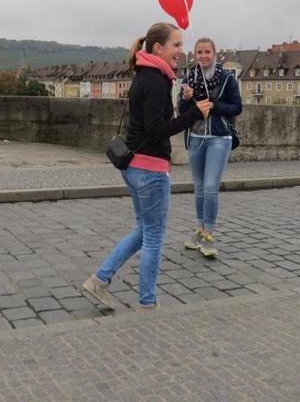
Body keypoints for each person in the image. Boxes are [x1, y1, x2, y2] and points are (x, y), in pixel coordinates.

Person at [82, 23, 212, 310]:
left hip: (134, 166)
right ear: (158, 48)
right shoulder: (156, 80)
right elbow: (156, 130)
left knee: (143, 231)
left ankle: (99, 280)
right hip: (150, 170)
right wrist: (194, 114)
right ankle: (148, 302)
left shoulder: (145, 74)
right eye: (176, 45)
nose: (181, 51)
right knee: (153, 237)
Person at [179, 38, 242, 258]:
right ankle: (199, 229)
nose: (203, 56)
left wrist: (213, 106)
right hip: (196, 137)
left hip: (219, 137)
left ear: (214, 54)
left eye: (207, 52)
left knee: (209, 186)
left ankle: (208, 235)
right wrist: (186, 99)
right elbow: (182, 110)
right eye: (200, 52)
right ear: (195, 55)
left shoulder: (226, 78)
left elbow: (237, 107)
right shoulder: (189, 78)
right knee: (198, 187)